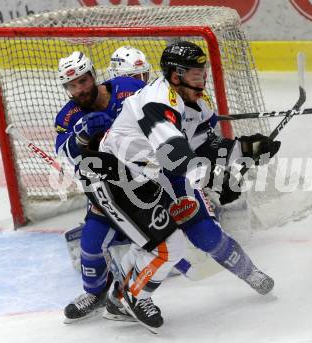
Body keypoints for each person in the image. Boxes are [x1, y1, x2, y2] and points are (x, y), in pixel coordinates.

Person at [92, 41, 280, 327]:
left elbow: (204, 145)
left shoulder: (197, 103)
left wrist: (245, 148)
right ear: (175, 75)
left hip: (158, 173)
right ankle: (132, 295)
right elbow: (177, 156)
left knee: (205, 233)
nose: (202, 79)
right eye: (194, 74)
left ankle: (249, 272)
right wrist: (217, 179)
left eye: (202, 72)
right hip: (119, 179)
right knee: (167, 244)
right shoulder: (157, 102)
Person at [54, 48, 150, 323]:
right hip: (105, 190)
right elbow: (68, 155)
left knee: (153, 241)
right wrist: (81, 138)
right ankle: (96, 293)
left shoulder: (129, 88)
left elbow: (160, 115)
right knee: (90, 245)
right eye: (72, 85)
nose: (79, 89)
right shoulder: (67, 117)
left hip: (145, 182)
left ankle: (131, 297)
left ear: (93, 76)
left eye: (83, 81)